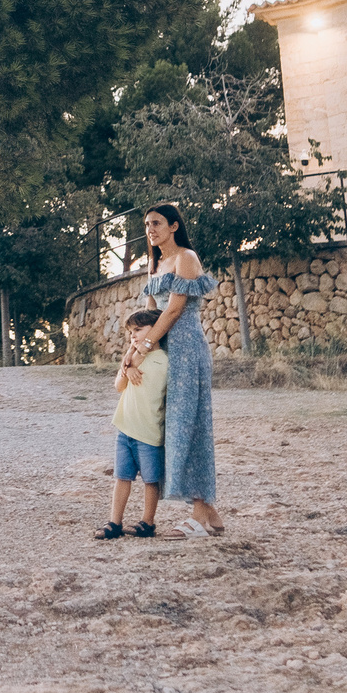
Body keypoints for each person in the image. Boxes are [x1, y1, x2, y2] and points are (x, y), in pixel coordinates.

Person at [140, 202, 225, 537]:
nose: (150, 229)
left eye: (157, 223)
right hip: (164, 351)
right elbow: (150, 315)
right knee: (171, 428)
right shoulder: (154, 265)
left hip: (187, 350)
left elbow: (174, 310)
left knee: (191, 426)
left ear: (174, 226)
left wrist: (147, 345)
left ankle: (199, 515)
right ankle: (209, 513)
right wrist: (136, 350)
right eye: (147, 224)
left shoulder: (186, 258)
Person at [98, 307, 168, 539]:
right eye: (131, 332)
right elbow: (119, 386)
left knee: (151, 480)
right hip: (125, 428)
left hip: (149, 431)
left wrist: (132, 359)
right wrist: (127, 369)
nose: (133, 335)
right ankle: (114, 522)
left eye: (138, 329)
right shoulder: (133, 358)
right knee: (122, 477)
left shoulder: (164, 361)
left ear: (156, 329)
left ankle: (147, 523)